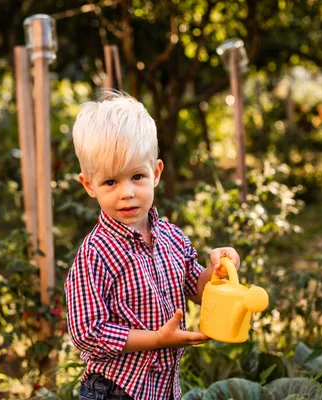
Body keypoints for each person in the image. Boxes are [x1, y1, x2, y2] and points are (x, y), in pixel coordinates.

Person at [65, 91, 240, 400]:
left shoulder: (172, 238)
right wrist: (157, 339)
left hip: (161, 389)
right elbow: (86, 332)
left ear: (155, 173)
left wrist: (217, 270)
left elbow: (196, 290)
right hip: (114, 390)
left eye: (137, 176)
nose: (127, 193)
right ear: (89, 184)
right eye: (110, 182)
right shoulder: (96, 254)